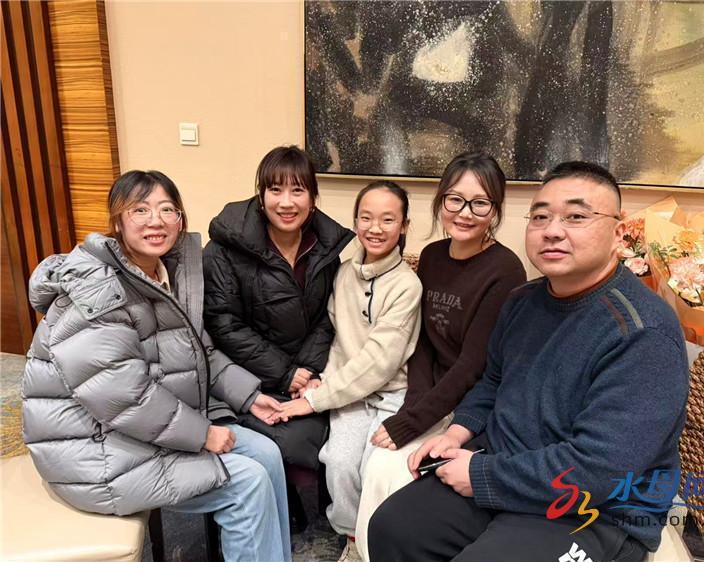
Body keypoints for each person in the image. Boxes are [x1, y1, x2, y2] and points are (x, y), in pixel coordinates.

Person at [368, 162, 689, 562]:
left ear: (618, 234)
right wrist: (457, 432)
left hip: (594, 510)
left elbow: (599, 470)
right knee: (393, 527)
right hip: (509, 464)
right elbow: (492, 380)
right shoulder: (523, 301)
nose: (552, 230)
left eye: (576, 217)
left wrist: (481, 475)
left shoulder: (644, 333)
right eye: (540, 216)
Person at [22, 170, 292, 562]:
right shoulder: (97, 290)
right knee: (247, 483)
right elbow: (124, 396)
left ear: (180, 220)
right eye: (140, 210)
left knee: (267, 453)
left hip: (139, 431)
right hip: (93, 450)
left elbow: (200, 353)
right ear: (118, 221)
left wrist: (249, 397)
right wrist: (203, 434)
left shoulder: (159, 274)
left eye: (167, 209)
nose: (156, 221)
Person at [355, 152, 526, 559]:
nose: (464, 213)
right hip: (431, 396)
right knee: (376, 462)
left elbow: (473, 364)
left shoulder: (506, 271)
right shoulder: (431, 256)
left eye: (479, 203)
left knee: (401, 472)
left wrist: (416, 421)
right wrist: (414, 408)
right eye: (455, 199)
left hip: (472, 405)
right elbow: (423, 342)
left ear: (495, 210)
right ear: (440, 200)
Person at [281, 181, 422, 562]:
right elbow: (333, 336)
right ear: (356, 221)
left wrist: (315, 400)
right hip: (347, 393)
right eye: (366, 218)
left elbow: (379, 361)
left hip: (391, 393)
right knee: (340, 462)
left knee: (376, 468)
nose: (375, 228)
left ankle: (380, 542)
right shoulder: (342, 274)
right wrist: (316, 377)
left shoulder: (407, 285)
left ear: (404, 226)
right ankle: (353, 539)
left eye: (388, 219)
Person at [202, 145, 354, 473]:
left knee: (339, 434)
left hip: (307, 377)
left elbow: (330, 316)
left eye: (297, 190)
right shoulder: (224, 250)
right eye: (275, 190)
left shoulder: (325, 249)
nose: (286, 203)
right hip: (246, 380)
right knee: (296, 446)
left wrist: (307, 373)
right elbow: (223, 323)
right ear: (261, 196)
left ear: (313, 199)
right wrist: (285, 373)